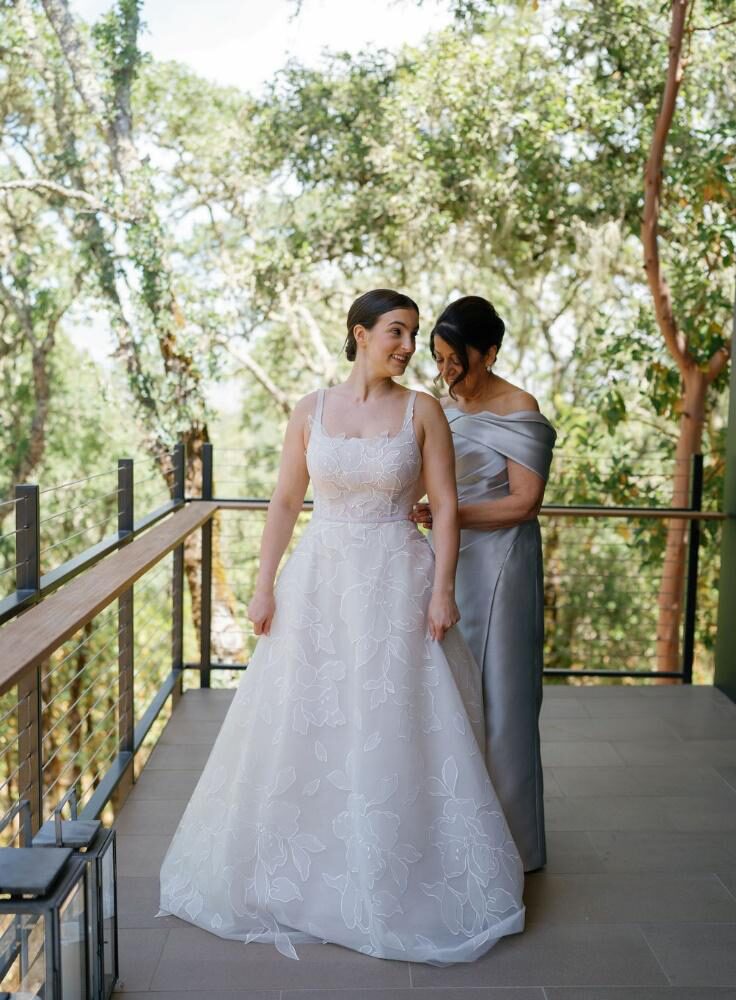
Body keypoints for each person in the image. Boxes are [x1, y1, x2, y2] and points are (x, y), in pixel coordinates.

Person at [157, 289, 525, 964]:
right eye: (396, 331)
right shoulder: (311, 410)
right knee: (307, 721)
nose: (408, 346)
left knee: (391, 722)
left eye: (413, 334)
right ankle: (298, 869)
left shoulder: (423, 412)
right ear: (359, 334)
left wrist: (442, 590)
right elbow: (286, 500)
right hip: (319, 582)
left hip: (398, 584)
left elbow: (444, 507)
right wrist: (264, 584)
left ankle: (393, 868)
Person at [410, 296, 556, 872]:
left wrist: (447, 513)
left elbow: (525, 503)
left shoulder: (520, 407)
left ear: (490, 353)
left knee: (505, 699)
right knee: (449, 695)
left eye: (457, 361)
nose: (447, 374)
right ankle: (456, 836)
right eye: (439, 360)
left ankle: (513, 849)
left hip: (503, 562)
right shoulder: (439, 408)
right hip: (444, 560)